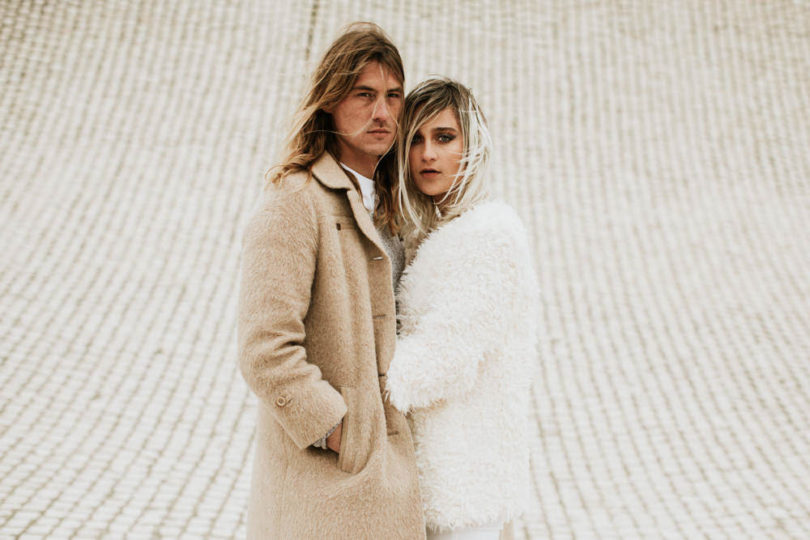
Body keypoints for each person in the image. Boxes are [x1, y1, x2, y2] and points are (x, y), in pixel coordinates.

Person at [237, 23, 425, 539]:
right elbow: (265, 348)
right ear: (330, 101)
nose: (382, 113)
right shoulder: (296, 200)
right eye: (364, 95)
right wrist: (344, 432)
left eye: (392, 96)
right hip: (325, 497)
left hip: (388, 486)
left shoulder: (388, 209)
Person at [384, 78, 539, 540]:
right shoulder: (430, 234)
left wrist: (364, 390)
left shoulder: (490, 234)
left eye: (444, 137)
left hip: (468, 486)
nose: (427, 154)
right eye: (414, 139)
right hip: (437, 482)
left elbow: (449, 354)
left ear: (472, 145)